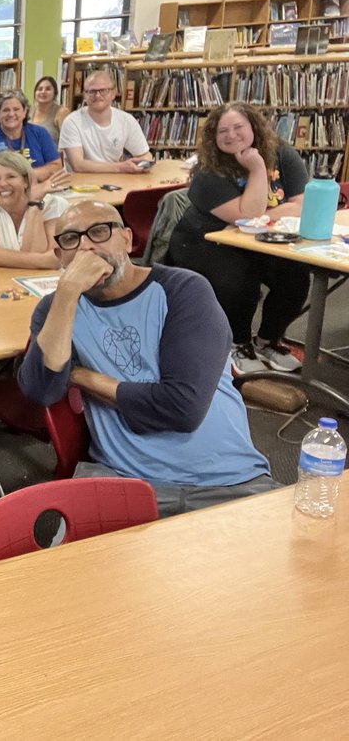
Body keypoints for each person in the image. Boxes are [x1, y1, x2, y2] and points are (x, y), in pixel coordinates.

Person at [17, 200, 279, 518]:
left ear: (127, 239)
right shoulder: (58, 308)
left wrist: (82, 376)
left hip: (230, 481)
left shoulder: (184, 291)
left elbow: (182, 409)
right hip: (123, 478)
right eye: (70, 239)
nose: (85, 247)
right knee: (63, 567)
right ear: (60, 256)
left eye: (99, 232)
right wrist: (68, 292)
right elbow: (40, 390)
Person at [166, 102, 309, 375]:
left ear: (253, 126)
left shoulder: (282, 154)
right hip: (204, 241)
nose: (231, 135)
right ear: (213, 137)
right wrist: (257, 169)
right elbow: (247, 215)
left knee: (295, 275)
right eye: (223, 131)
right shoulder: (207, 173)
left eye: (238, 127)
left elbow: (301, 205)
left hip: (263, 238)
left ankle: (268, 340)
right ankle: (238, 343)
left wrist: (260, 215)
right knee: (239, 280)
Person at [0, 150, 70, 269]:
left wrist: (34, 205)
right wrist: (43, 261)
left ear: (25, 181)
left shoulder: (54, 205)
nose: (3, 184)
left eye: (11, 177)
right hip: (6, 281)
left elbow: (53, 258)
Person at [57, 69, 152, 173]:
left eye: (103, 90)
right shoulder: (72, 122)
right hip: (80, 185)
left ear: (113, 93)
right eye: (92, 91)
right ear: (84, 95)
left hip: (116, 182)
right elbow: (78, 165)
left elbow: (145, 154)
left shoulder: (126, 120)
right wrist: (120, 167)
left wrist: (141, 164)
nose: (98, 95)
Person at [0, 89, 63, 181]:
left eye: (16, 109)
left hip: (40, 189)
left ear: (24, 112)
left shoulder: (40, 133)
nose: (11, 114)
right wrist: (39, 174)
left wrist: (21, 176)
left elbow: (56, 167)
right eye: (6, 110)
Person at [29, 75, 72, 146]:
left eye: (48, 89)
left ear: (55, 93)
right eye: (39, 89)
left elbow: (68, 141)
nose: (43, 92)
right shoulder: (29, 111)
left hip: (52, 155)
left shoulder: (62, 112)